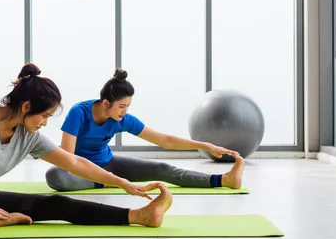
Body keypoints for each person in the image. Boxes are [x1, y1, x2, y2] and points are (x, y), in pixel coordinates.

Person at [0, 63, 172, 238]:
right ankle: (2, 219)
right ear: (26, 105)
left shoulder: (29, 137)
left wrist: (123, 183)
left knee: (56, 203)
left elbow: (75, 164)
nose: (45, 123)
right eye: (44, 115)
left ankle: (140, 216)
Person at [45, 69, 245, 192]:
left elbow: (165, 140)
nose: (125, 111)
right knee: (55, 176)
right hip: (81, 171)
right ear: (106, 103)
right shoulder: (79, 113)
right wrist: (100, 177)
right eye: (122, 106)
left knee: (163, 169)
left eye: (128, 106)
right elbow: (68, 158)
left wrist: (205, 145)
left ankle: (222, 180)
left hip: (109, 165)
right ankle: (107, 182)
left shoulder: (121, 119)